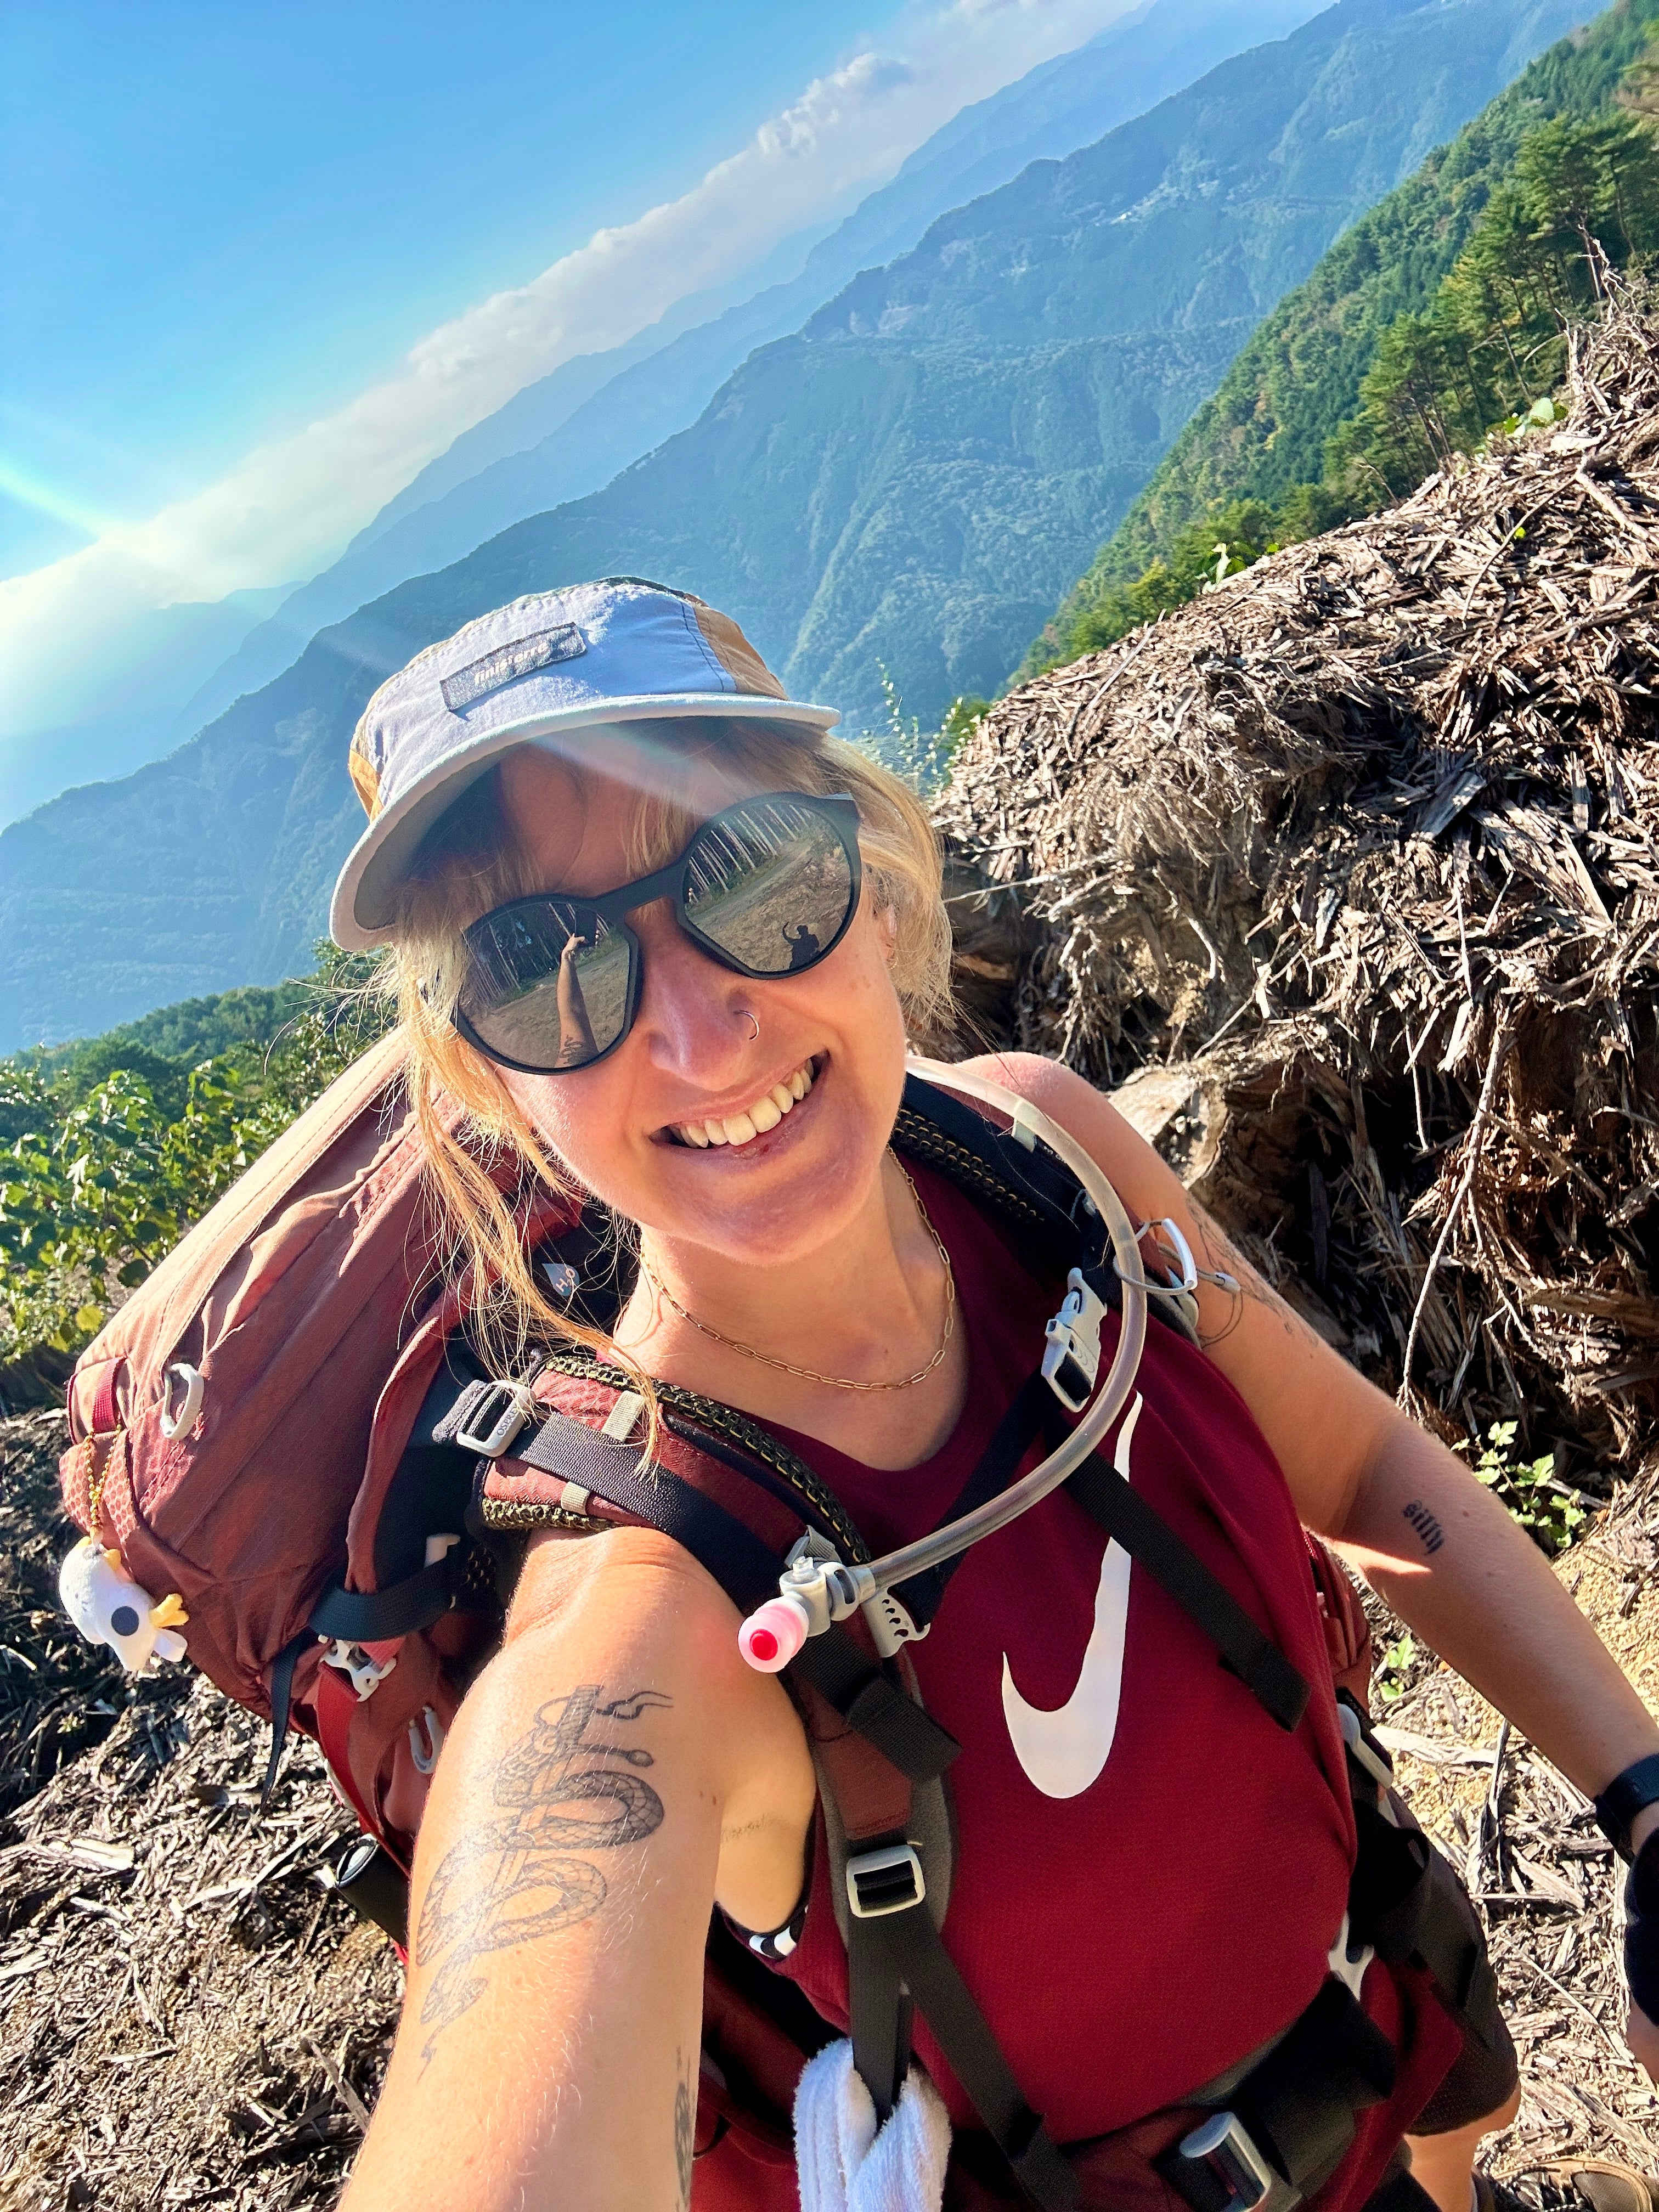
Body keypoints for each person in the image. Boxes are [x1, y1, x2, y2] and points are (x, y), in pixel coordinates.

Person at [332, 579, 1659, 2212]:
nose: (697, 1030)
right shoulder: (640, 1626)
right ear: (489, 1078)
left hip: (1387, 2024)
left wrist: (1644, 1798)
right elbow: (532, 1980)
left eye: (750, 871)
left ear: (869, 880)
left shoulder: (1040, 1158)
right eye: (543, 968)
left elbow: (1362, 1464)